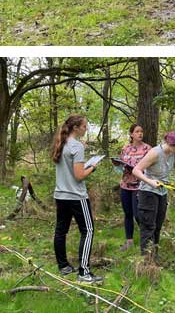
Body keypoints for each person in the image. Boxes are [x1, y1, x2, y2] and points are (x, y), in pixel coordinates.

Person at [52, 114, 103, 283]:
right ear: (75, 128)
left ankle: (64, 266)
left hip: (61, 195)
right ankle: (84, 273)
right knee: (88, 231)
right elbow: (79, 176)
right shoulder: (77, 146)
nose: (86, 128)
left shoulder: (61, 143)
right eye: (84, 126)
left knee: (61, 231)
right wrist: (93, 167)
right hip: (76, 196)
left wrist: (84, 166)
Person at [117, 124, 151, 251]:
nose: (140, 134)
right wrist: (118, 164)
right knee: (128, 214)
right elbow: (119, 168)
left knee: (138, 214)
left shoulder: (148, 149)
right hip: (125, 185)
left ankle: (146, 241)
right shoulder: (126, 148)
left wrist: (138, 170)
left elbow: (151, 167)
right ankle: (129, 241)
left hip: (140, 186)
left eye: (141, 131)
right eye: (137, 131)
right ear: (131, 134)